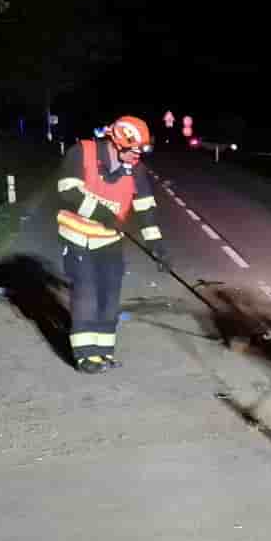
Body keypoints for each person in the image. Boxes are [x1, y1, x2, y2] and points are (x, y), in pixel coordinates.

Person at [56, 115, 166, 373]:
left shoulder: (135, 168)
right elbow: (68, 191)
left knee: (109, 299)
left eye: (141, 150)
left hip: (110, 241)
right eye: (132, 149)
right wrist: (104, 215)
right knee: (87, 294)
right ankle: (85, 356)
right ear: (116, 143)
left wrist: (156, 245)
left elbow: (145, 207)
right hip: (78, 238)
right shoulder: (81, 153)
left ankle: (103, 353)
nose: (137, 155)